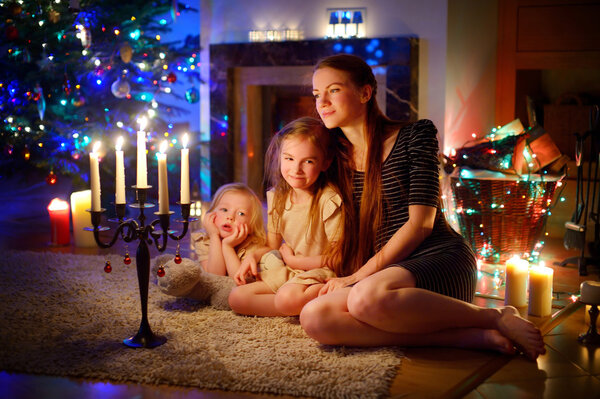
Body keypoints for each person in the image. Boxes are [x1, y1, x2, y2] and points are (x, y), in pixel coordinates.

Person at [299, 54, 546, 360]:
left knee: (365, 298)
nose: (322, 101)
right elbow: (294, 189)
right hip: (385, 276)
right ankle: (464, 337)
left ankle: (495, 317)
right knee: (315, 317)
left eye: (333, 90)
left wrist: (354, 277)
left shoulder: (416, 135)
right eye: (316, 94)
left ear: (365, 93)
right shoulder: (333, 158)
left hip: (437, 260)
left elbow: (421, 225)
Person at [228, 117, 347, 317]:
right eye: (289, 159)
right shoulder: (277, 197)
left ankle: (313, 300)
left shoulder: (329, 200)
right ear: (279, 157)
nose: (296, 169)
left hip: (320, 273)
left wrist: (294, 261)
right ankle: (298, 305)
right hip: (292, 272)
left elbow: (338, 259)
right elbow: (273, 247)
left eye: (308, 161)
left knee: (286, 297)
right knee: (237, 298)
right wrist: (252, 256)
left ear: (325, 162)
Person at [192, 182, 267, 277]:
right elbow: (215, 276)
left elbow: (241, 280)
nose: (230, 217)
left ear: (251, 226)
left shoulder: (253, 244)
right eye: (224, 210)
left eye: (241, 213)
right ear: (211, 213)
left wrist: (228, 247)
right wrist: (214, 236)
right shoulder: (204, 239)